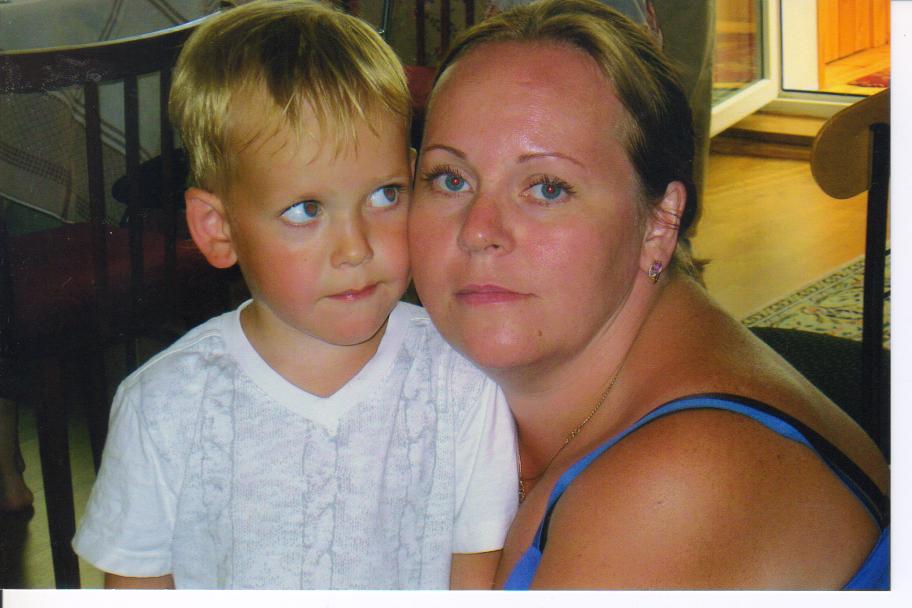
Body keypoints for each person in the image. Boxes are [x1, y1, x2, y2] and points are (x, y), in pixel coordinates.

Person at [408, 0, 888, 589]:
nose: (479, 230)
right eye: (450, 179)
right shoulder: (472, 378)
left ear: (659, 222)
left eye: (548, 188)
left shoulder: (679, 486)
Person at [72, 0, 517, 590]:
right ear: (218, 229)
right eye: (307, 209)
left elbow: (477, 576)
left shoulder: (463, 383)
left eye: (385, 195)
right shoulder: (164, 408)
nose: (355, 247)